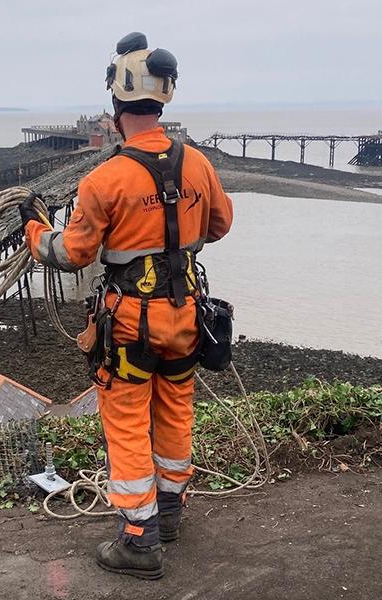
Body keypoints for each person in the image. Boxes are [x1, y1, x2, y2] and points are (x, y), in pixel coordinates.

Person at [20, 32, 233, 579]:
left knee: (127, 421)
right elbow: (220, 225)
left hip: (131, 323)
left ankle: (139, 541)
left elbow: (72, 252)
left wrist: (34, 230)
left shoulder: (104, 179)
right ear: (163, 100)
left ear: (116, 108)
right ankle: (169, 512)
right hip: (186, 317)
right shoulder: (198, 165)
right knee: (175, 408)